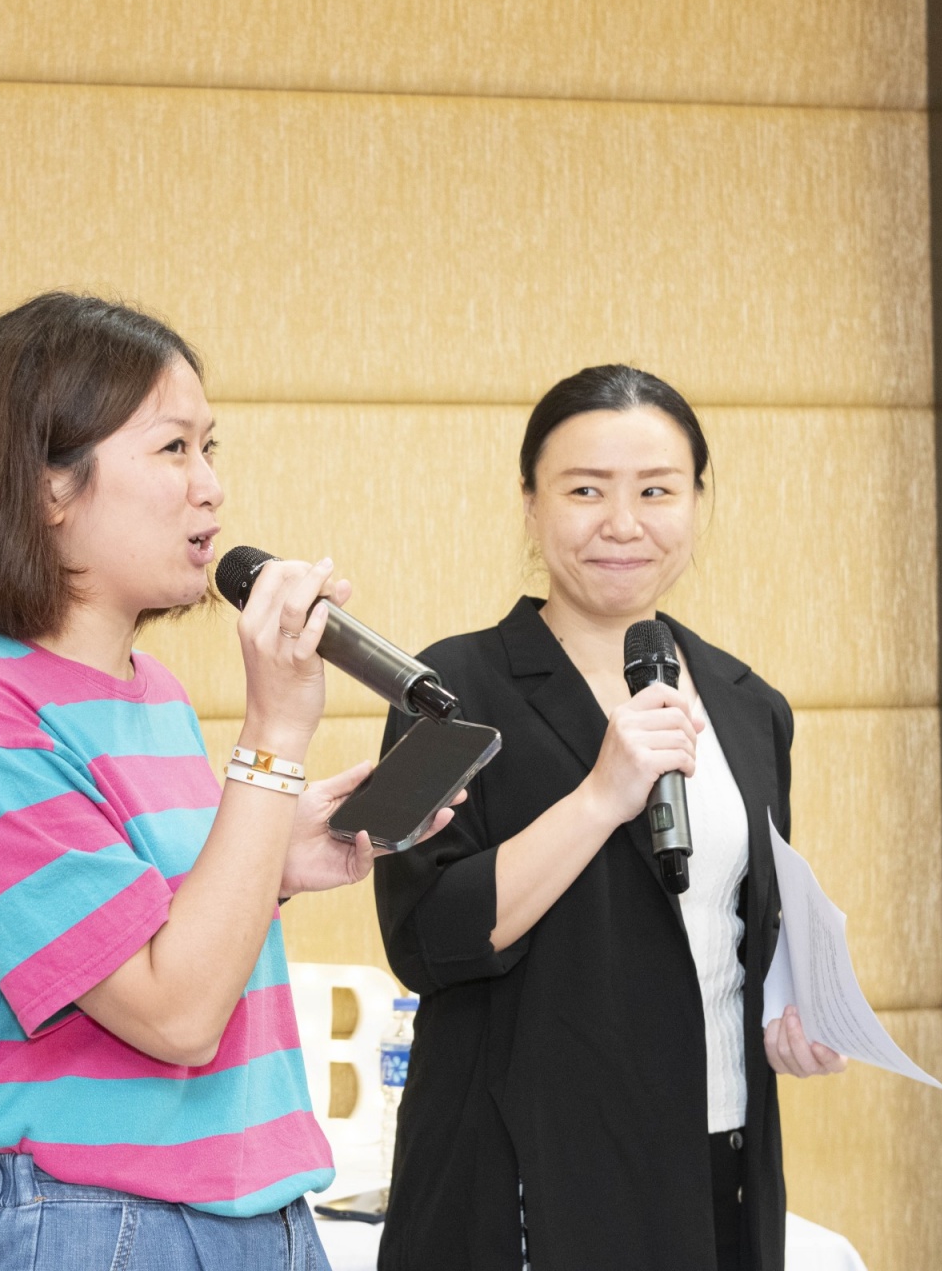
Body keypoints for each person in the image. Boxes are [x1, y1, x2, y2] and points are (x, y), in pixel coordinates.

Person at [0, 292, 447, 1270]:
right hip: (103, 1226)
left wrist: (274, 858)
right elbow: (174, 1014)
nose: (211, 488)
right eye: (174, 448)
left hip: (260, 1212)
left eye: (210, 448)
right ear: (49, 487)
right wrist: (273, 735)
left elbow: (163, 934)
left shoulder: (154, 693)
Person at [372, 365, 847, 1271]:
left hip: (719, 1155)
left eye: (656, 491)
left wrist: (794, 1005)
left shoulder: (750, 704)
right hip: (526, 1174)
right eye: (586, 490)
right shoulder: (448, 692)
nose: (623, 524)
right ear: (530, 504)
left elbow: (731, 920)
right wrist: (599, 797)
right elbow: (426, 939)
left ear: (698, 502)